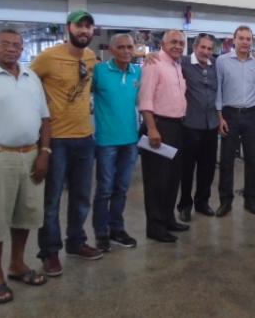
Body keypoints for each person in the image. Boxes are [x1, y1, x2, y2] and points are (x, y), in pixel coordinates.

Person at [0, 29, 50, 304]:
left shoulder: (31, 77)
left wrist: (44, 153)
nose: (12, 49)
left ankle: (17, 264)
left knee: (25, 214)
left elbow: (45, 118)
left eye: (17, 44)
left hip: (30, 155)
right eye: (5, 44)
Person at [32, 10, 102, 277]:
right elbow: (28, 81)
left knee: (82, 197)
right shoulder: (48, 57)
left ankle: (76, 242)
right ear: (68, 28)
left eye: (88, 27)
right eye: (79, 26)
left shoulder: (91, 57)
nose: (84, 31)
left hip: (85, 138)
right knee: (51, 201)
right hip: (57, 139)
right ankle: (49, 252)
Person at [92, 33, 141, 252]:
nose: (126, 51)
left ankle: (117, 229)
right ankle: (101, 233)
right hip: (106, 141)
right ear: (112, 50)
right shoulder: (100, 72)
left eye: (130, 47)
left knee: (121, 189)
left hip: (130, 140)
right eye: (121, 47)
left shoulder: (137, 72)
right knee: (104, 190)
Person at [138, 30, 188, 243]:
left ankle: (168, 219)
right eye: (173, 42)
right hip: (158, 126)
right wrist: (152, 128)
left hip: (177, 126)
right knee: (156, 181)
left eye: (181, 43)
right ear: (164, 43)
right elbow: (145, 98)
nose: (178, 46)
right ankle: (155, 226)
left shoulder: (177, 65)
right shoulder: (154, 63)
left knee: (172, 178)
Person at [215, 25, 255, 217]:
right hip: (229, 115)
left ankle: (250, 200)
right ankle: (225, 201)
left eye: (248, 39)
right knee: (227, 161)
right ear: (233, 40)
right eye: (241, 38)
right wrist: (220, 118)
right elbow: (217, 90)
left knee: (252, 159)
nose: (245, 42)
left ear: (252, 41)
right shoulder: (222, 61)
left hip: (251, 115)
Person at [177, 33, 219, 222]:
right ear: (195, 47)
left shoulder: (216, 65)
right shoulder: (183, 62)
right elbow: (164, 59)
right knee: (187, 169)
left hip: (211, 125)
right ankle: (185, 205)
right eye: (203, 47)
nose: (206, 52)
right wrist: (151, 56)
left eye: (210, 48)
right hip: (190, 125)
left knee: (207, 168)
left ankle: (202, 202)